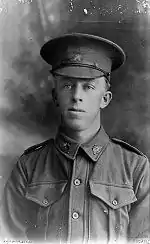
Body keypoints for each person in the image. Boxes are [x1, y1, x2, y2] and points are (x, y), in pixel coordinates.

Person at [0, 33, 149, 244]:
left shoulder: (136, 169)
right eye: (68, 85)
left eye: (88, 87)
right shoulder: (28, 167)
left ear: (105, 99)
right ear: (55, 96)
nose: (76, 96)